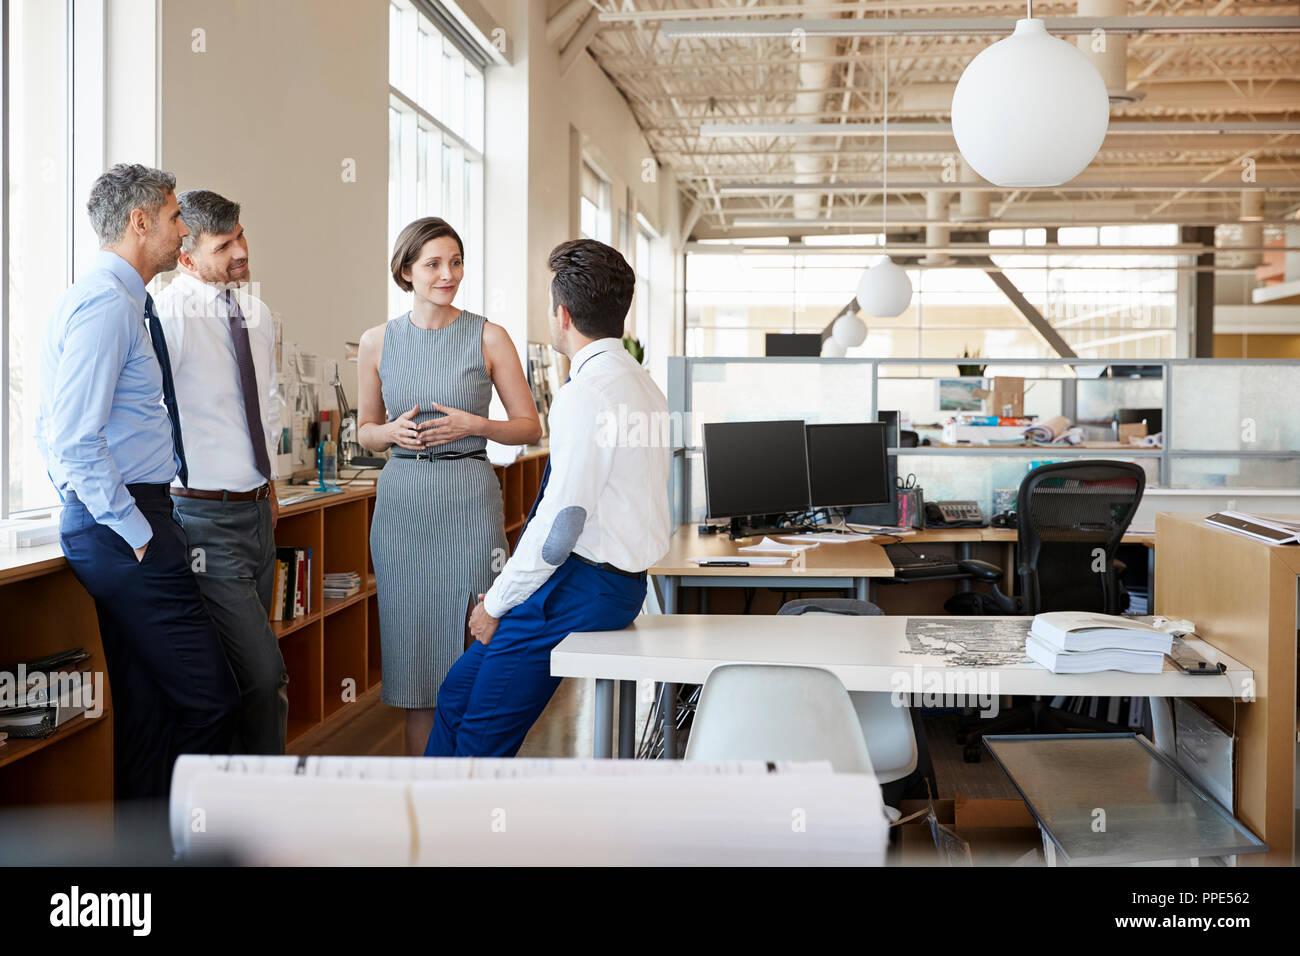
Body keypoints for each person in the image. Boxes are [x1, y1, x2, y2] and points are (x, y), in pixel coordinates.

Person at [35, 164, 239, 802]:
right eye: (177, 216)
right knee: (214, 700)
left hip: (130, 517)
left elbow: (52, 429)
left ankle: (147, 852)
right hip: (126, 525)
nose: (184, 230)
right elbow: (71, 437)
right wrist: (133, 531)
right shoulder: (104, 302)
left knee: (147, 709)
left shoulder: (119, 299)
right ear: (140, 221)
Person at [426, 238, 670, 758]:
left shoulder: (589, 393)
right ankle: (427, 826)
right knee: (457, 695)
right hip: (610, 583)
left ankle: (451, 833)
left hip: (582, 586)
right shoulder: (641, 383)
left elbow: (561, 526)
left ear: (561, 314)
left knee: (479, 736)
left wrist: (494, 603)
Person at [358, 217, 541, 755]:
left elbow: (530, 427)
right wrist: (388, 432)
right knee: (417, 672)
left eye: (456, 262)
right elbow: (366, 431)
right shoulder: (376, 342)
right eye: (434, 263)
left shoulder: (489, 335)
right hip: (404, 510)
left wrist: (476, 425)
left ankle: (472, 789)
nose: (448, 274)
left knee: (475, 650)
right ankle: (425, 802)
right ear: (406, 270)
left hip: (469, 501)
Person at [154, 189, 289, 754]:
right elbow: (153, 412)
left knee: (240, 678)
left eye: (241, 235)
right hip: (205, 519)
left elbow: (266, 406)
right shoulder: (171, 314)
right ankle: (265, 812)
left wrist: (272, 488)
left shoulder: (256, 312)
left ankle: (229, 803)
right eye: (223, 244)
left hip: (259, 512)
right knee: (265, 676)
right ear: (186, 256)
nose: (240, 251)